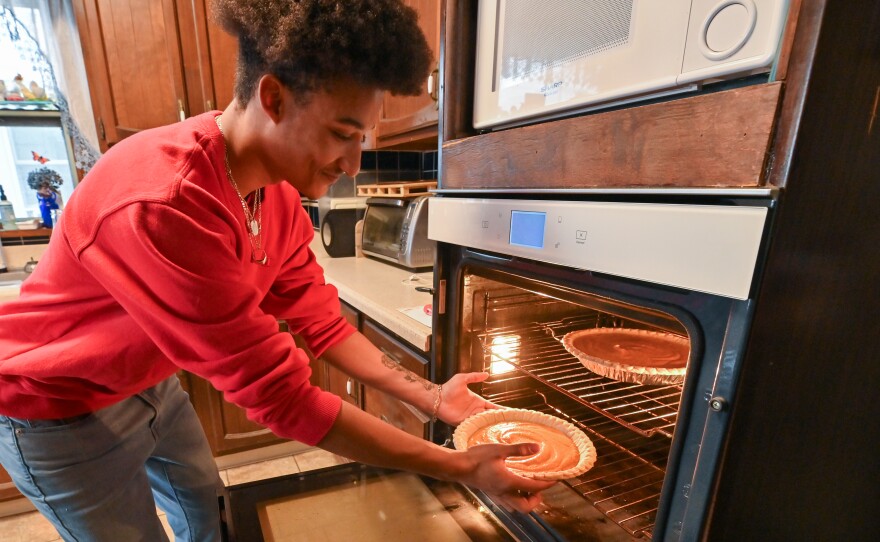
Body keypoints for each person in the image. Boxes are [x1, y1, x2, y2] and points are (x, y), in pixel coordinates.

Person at [0, 1, 554, 540]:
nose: (353, 163)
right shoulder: (166, 204)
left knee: (206, 509)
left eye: (362, 137)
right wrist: (461, 467)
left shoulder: (276, 195)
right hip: (54, 405)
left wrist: (432, 397)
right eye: (343, 133)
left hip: (146, 379)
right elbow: (283, 399)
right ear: (274, 98)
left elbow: (323, 322)